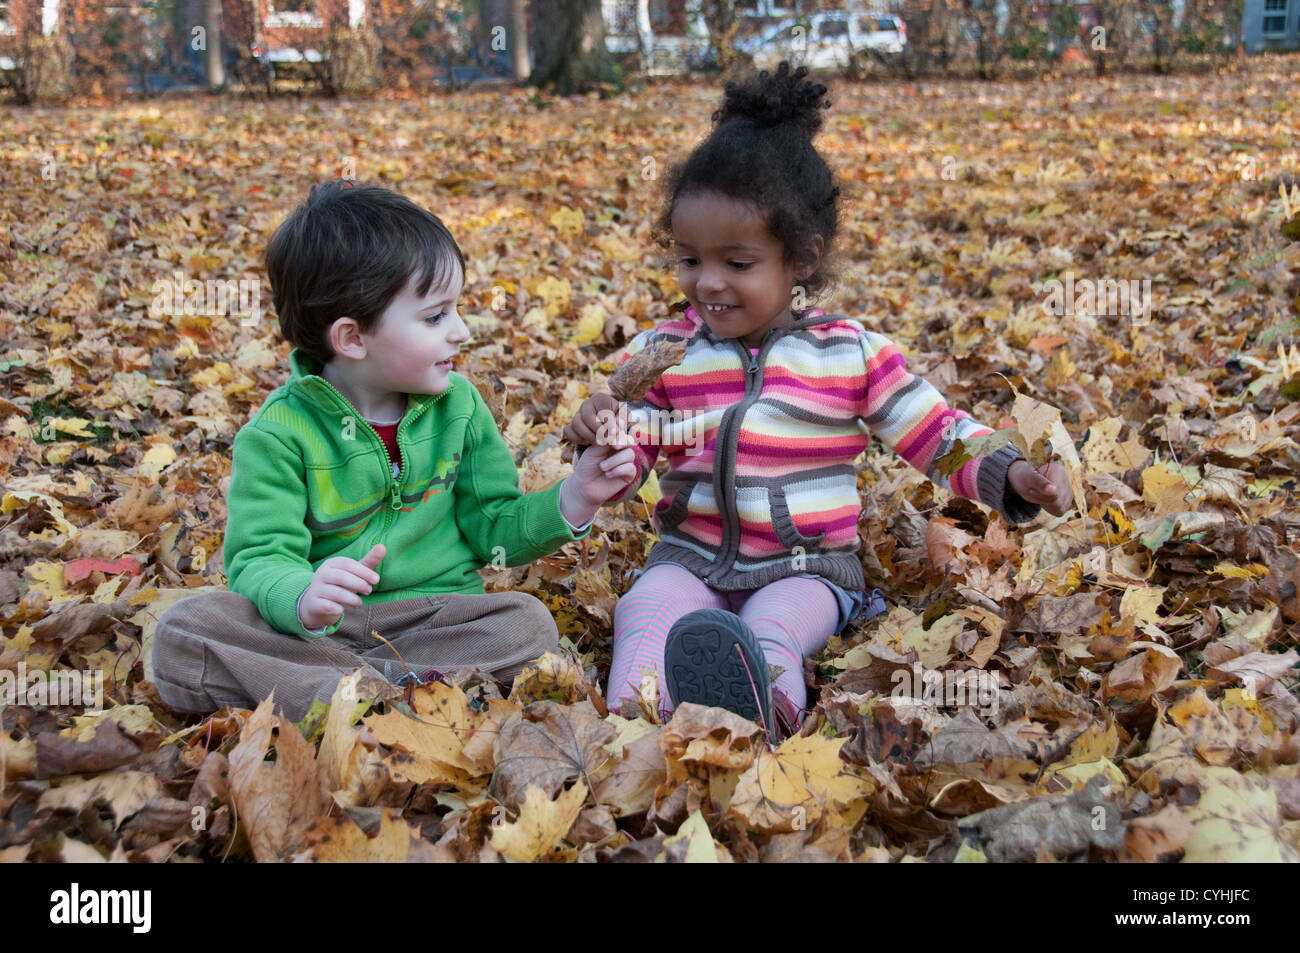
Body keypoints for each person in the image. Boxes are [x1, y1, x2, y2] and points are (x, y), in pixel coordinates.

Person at [564, 63, 1072, 739]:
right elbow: (634, 437)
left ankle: (761, 714)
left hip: (804, 568)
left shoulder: (846, 352)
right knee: (646, 610)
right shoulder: (668, 349)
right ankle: (634, 724)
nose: (707, 282)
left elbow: (935, 430)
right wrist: (603, 433)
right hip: (690, 556)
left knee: (771, 630)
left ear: (802, 259)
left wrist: (1008, 471)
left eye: (737, 263)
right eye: (689, 258)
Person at [152, 181, 636, 723]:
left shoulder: (459, 408)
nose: (462, 331)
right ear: (352, 339)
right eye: (435, 317)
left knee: (528, 625)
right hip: (316, 631)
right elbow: (260, 558)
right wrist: (302, 597)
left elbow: (494, 527)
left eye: (457, 310)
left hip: (439, 620)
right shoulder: (279, 434)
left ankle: (352, 700)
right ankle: (391, 696)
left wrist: (574, 497)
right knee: (184, 631)